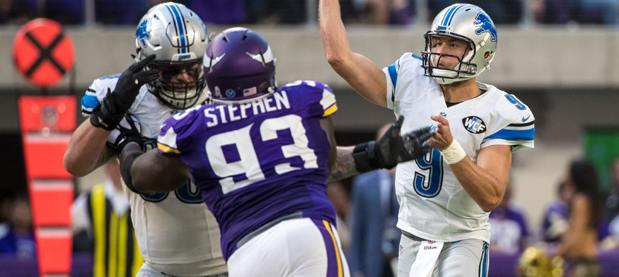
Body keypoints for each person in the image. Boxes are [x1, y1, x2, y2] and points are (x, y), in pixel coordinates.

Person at [113, 26, 435, 276]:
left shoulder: (193, 126)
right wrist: (375, 155)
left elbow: (141, 178)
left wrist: (124, 142)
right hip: (307, 229)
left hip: (246, 251)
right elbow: (324, 164)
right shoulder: (303, 100)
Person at [315, 0, 536, 276]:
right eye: (437, 42)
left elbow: (491, 195)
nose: (440, 51)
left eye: (453, 44)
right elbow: (340, 57)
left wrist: (452, 149)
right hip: (411, 236)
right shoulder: (411, 76)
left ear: (481, 53)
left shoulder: (500, 110)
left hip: (463, 240)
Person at [63, 2, 228, 277]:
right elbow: (74, 164)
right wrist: (110, 110)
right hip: (161, 269)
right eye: (170, 70)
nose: (184, 77)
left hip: (234, 262)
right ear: (145, 63)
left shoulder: (225, 90)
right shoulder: (125, 99)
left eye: (191, 67)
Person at [71, 158, 143, 276]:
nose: (118, 169)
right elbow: (62, 226)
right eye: (113, 163)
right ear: (106, 166)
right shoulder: (92, 197)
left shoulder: (143, 197)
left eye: (122, 163)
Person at [351, 122, 401, 277]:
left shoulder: (411, 179)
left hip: (403, 257)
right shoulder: (364, 183)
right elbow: (358, 227)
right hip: (374, 261)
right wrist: (357, 269)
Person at [555, 159, 603, 277]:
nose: (566, 177)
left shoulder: (580, 200)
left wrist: (557, 254)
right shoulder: (592, 199)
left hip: (583, 265)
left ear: (576, 176)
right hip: (592, 262)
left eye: (569, 173)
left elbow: (576, 235)